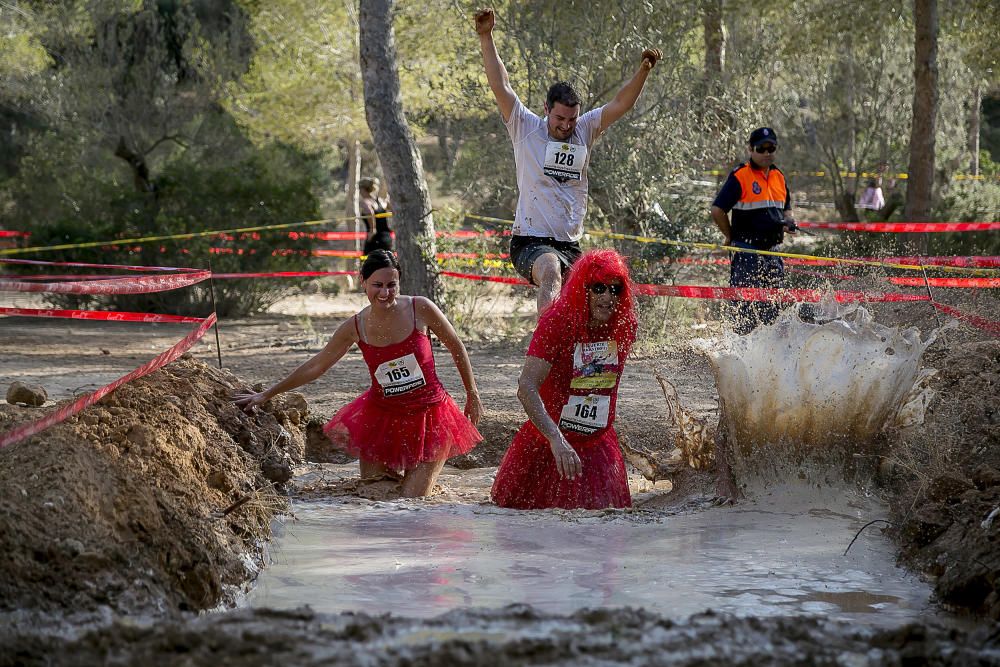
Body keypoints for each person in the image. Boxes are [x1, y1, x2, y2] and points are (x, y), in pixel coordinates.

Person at [234, 250, 483, 497]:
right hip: (383, 419)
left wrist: (472, 393)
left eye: (391, 285)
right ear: (362, 282)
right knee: (375, 494)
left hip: (430, 415)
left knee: (411, 501)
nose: (385, 293)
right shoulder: (354, 327)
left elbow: (456, 346)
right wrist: (267, 394)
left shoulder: (421, 308)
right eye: (377, 285)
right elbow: (316, 366)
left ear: (399, 283)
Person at [475, 7, 661, 314]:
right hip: (530, 241)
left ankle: (594, 358)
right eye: (560, 118)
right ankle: (547, 342)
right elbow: (501, 85)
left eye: (572, 119)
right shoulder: (525, 126)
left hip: (569, 243)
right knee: (550, 270)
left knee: (602, 293)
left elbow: (620, 104)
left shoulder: (585, 129)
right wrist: (486, 36)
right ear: (546, 108)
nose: (566, 125)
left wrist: (643, 71)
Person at [491, 249, 638, 510]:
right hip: (550, 444)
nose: (607, 297)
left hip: (597, 443)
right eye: (598, 288)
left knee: (605, 534)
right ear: (584, 289)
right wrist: (555, 439)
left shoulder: (624, 325)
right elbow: (526, 387)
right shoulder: (557, 323)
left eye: (614, 290)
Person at [710, 127, 797, 334]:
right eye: (761, 148)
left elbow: (786, 207)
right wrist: (729, 236)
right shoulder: (740, 176)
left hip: (773, 252)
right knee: (745, 307)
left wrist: (789, 221)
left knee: (773, 308)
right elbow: (717, 209)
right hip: (746, 251)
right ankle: (741, 349)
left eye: (771, 148)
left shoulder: (779, 176)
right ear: (751, 149)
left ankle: (769, 351)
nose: (767, 153)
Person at [360, 177, 393, 254]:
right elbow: (391, 209)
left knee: (369, 264)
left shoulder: (366, 202)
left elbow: (369, 212)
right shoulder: (381, 201)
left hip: (375, 239)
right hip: (387, 238)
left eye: (360, 190)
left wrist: (372, 229)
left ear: (364, 189)